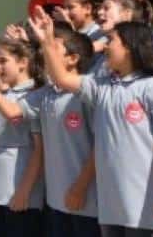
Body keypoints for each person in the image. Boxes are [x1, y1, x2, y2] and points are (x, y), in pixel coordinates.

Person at [31, 8, 153, 237]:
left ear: (131, 47)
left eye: (111, 40)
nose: (105, 46)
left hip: (144, 205)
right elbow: (62, 78)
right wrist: (47, 41)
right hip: (111, 208)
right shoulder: (101, 86)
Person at [26, 23, 99, 237]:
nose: (45, 53)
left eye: (53, 48)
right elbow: (12, 110)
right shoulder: (47, 94)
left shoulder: (87, 93)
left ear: (73, 58)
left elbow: (101, 145)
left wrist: (80, 186)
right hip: (56, 201)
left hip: (86, 202)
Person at [0, 37, 45, 236]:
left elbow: (39, 149)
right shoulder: (2, 96)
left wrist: (24, 191)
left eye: (3, 61)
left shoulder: (35, 95)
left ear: (23, 62)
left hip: (18, 191)